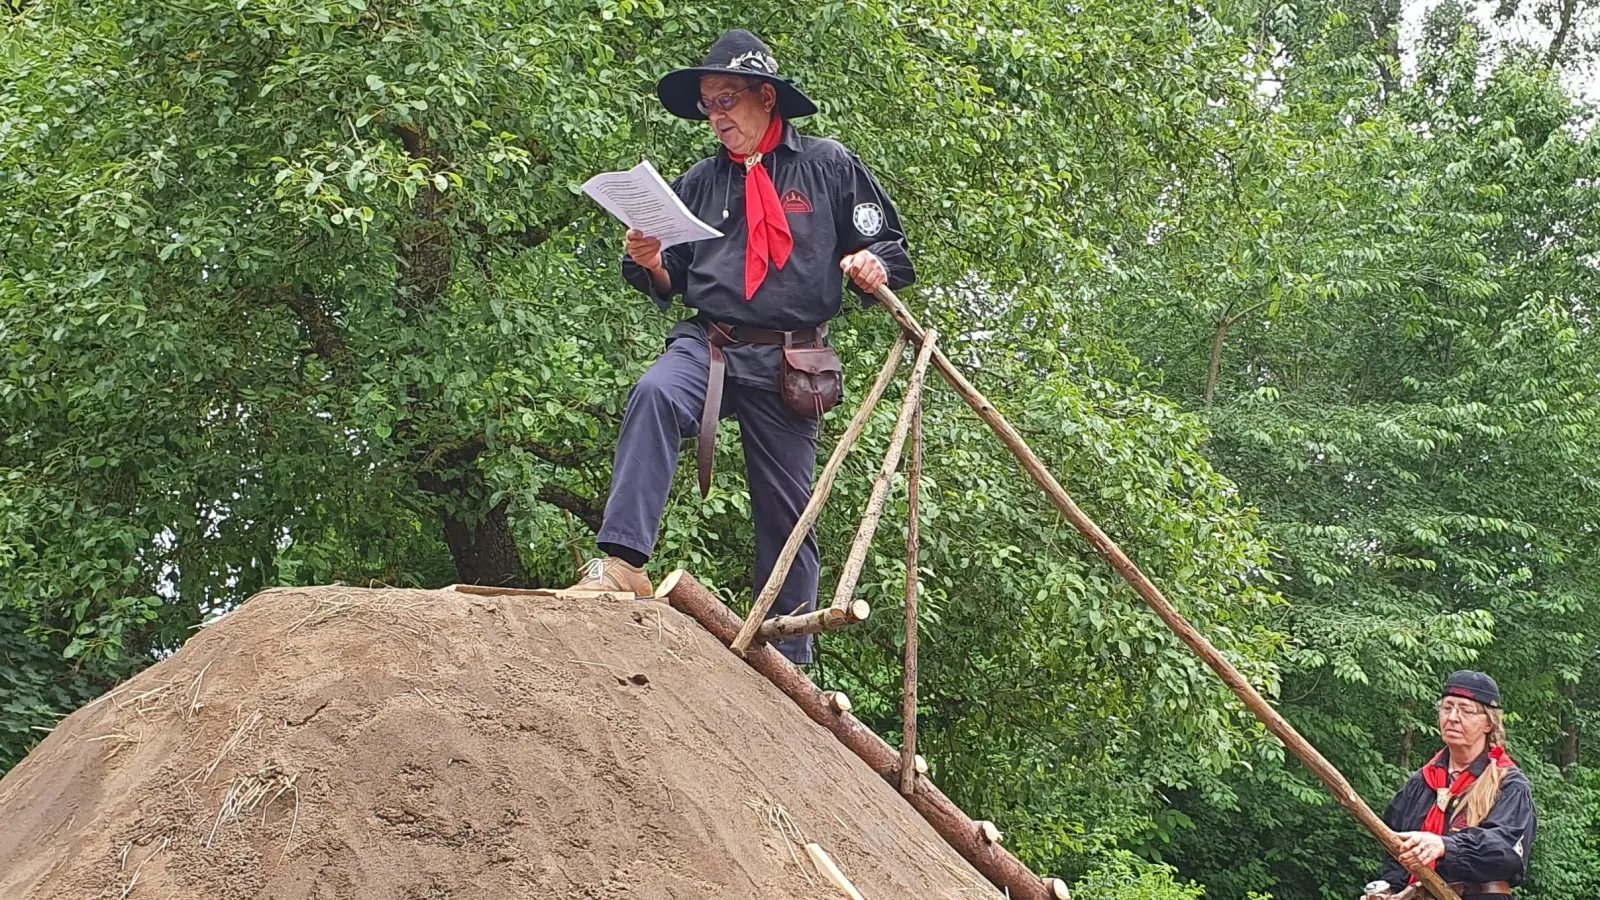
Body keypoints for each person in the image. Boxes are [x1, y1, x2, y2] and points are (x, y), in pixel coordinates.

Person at [568, 29, 915, 665]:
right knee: (654, 392)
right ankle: (622, 564)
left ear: (765, 97)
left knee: (789, 515)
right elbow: (669, 278)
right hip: (713, 343)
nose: (716, 115)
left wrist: (871, 263)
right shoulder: (698, 181)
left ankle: (790, 663)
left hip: (793, 360)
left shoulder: (828, 165)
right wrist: (647, 259)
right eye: (707, 104)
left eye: (727, 99)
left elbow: (892, 247)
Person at [1363, 671, 1536, 900]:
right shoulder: (1422, 782)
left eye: (1466, 710)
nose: (1453, 717)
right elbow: (1396, 853)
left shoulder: (1509, 784)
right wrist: (1390, 892)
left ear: (1488, 723)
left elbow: (1505, 852)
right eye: (1447, 707)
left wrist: (1446, 846)